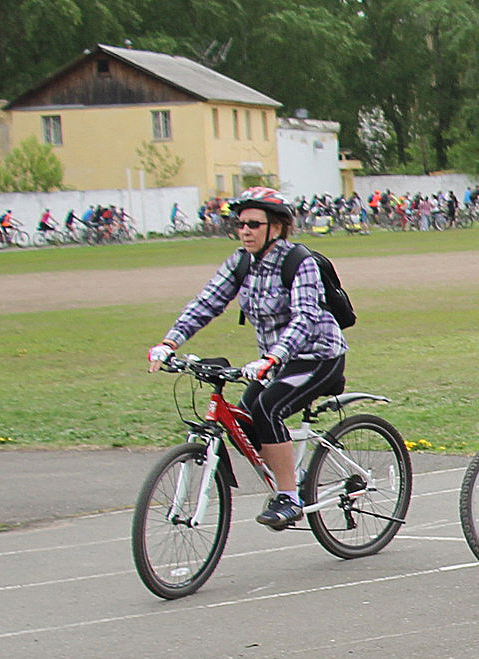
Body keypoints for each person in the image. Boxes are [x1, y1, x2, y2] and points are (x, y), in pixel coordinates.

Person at [149, 188, 349, 533]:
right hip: (276, 361)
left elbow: (305, 318)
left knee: (267, 408)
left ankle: (288, 497)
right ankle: (289, 476)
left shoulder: (299, 262)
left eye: (254, 224)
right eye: (240, 224)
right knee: (243, 421)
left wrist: (273, 356)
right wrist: (170, 342)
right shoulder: (241, 262)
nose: (245, 231)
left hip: (317, 355)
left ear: (277, 227)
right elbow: (207, 303)